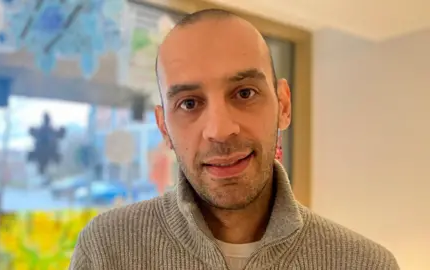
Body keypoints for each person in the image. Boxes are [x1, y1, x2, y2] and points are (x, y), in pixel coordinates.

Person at [70, 8, 399, 270]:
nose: (220, 129)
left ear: (283, 105)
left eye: (244, 93)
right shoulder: (108, 249)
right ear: (164, 128)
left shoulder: (365, 264)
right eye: (189, 103)